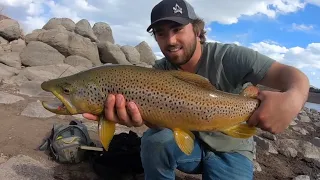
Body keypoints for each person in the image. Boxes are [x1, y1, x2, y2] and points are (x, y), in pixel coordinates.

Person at [83, 0, 310, 179]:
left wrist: (294, 98)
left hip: (231, 150)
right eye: (161, 33)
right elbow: (160, 124)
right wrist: (137, 118)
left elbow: (292, 76)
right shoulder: (158, 72)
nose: (170, 40)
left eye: (178, 28)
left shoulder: (230, 56)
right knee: (154, 140)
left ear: (198, 30)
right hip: (188, 147)